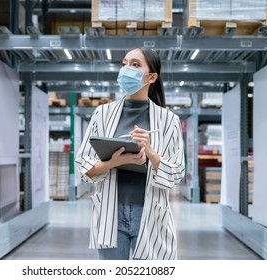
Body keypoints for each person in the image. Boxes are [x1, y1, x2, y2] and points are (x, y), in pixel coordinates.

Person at [74, 47, 185, 260]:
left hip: (150, 213)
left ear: (152, 77)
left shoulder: (169, 120)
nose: (126, 69)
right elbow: (83, 164)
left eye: (135, 65)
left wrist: (151, 153)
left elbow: (176, 173)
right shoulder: (102, 113)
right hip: (111, 213)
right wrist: (113, 162)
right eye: (124, 63)